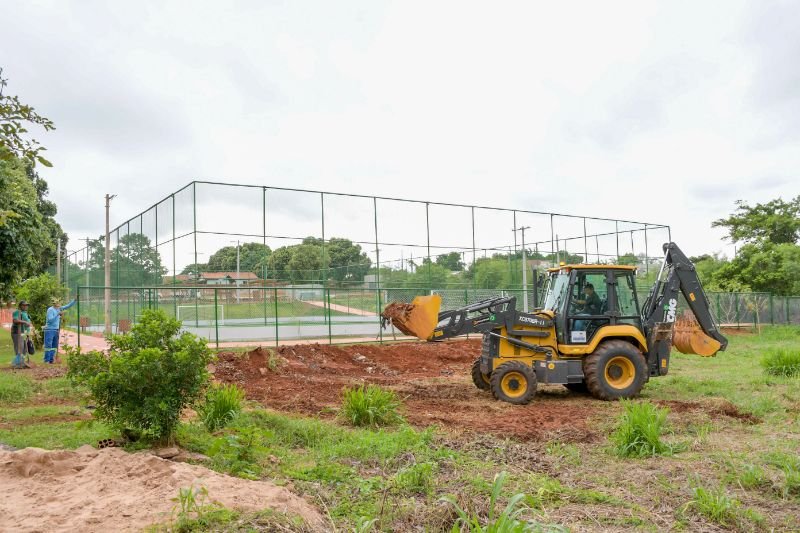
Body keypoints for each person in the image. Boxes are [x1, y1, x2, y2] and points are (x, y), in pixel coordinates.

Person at [43, 298, 76, 364]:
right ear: (54, 303)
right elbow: (50, 320)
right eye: (58, 303)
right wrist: (58, 314)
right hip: (49, 329)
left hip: (56, 330)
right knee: (48, 345)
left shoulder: (59, 308)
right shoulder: (50, 310)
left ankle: (51, 359)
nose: (59, 304)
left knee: (54, 346)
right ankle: (46, 360)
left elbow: (67, 306)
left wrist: (74, 301)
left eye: (59, 303)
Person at [11, 301, 32, 369]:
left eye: (26, 305)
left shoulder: (25, 313)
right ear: (20, 306)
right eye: (24, 305)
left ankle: (22, 362)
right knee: (19, 348)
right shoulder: (17, 312)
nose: (26, 306)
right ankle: (16, 364)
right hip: (17, 333)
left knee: (24, 349)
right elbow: (15, 320)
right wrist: (25, 322)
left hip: (24, 333)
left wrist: (29, 332)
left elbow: (28, 323)